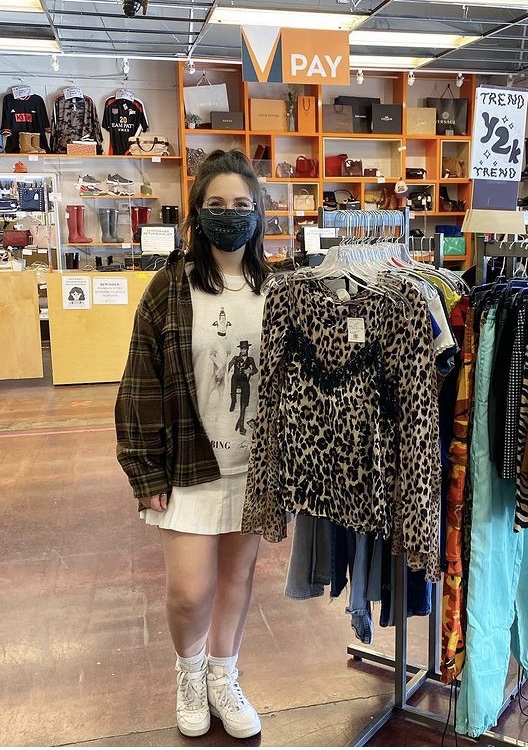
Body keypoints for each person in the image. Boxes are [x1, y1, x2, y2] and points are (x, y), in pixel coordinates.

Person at [115, 149, 270, 739]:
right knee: (188, 590)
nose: (230, 214)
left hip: (255, 464)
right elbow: (140, 381)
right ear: (197, 214)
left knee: (237, 576)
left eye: (241, 204)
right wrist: (145, 471)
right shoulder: (168, 288)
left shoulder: (276, 289)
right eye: (216, 205)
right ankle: (189, 672)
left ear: (258, 212)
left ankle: (223, 676)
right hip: (189, 463)